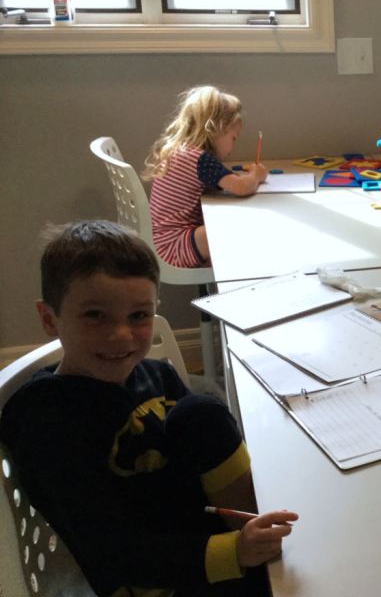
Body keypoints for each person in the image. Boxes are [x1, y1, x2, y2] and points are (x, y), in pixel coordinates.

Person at [0, 220, 298, 596]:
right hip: (154, 578)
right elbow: (109, 550)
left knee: (202, 413)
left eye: (138, 315)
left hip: (209, 539)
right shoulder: (47, 420)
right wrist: (234, 553)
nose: (121, 335)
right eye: (95, 315)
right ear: (49, 319)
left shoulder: (155, 375)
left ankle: (261, 525)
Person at [145, 85, 267, 269]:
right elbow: (242, 187)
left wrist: (238, 179)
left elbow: (228, 183)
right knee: (231, 225)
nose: (233, 146)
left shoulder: (182, 151)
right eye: (233, 138)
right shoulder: (200, 160)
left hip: (161, 241)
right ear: (217, 129)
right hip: (174, 245)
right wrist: (256, 175)